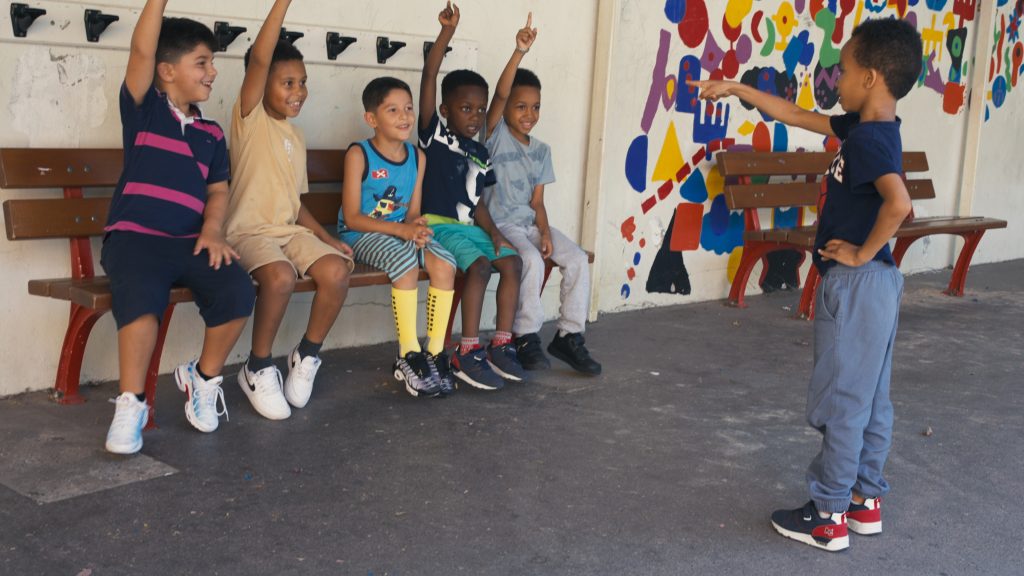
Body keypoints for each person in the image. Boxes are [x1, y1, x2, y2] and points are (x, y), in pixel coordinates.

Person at [690, 17, 922, 552]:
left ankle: (827, 515)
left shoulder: (868, 141)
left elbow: (899, 204)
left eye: (844, 69)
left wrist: (861, 251)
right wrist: (738, 88)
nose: (835, 78)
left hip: (857, 284)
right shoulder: (870, 128)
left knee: (842, 402)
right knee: (870, 399)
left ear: (870, 78)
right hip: (880, 285)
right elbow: (795, 114)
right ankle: (863, 501)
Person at [103, 0, 255, 454]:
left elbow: (218, 191)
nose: (212, 72)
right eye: (202, 63)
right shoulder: (145, 110)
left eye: (213, 63)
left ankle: (203, 377)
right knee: (141, 298)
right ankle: (131, 404)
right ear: (167, 71)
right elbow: (141, 51)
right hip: (135, 239)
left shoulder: (212, 134)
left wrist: (213, 230)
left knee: (237, 290)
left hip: (190, 242)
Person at [225, 0, 353, 420]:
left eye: (303, 82)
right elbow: (260, 59)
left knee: (337, 270)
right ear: (260, 84)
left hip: (287, 231)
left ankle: (307, 354)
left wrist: (327, 239)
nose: (298, 91)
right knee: (279, 277)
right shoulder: (249, 119)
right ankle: (257, 366)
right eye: (287, 83)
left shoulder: (295, 136)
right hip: (249, 233)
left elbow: (295, 204)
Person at [419, 2, 526, 391]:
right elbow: (430, 75)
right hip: (439, 228)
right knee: (480, 268)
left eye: (480, 110)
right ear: (445, 110)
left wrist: (494, 232)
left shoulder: (479, 151)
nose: (476, 116)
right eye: (466, 109)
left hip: (470, 228)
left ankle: (501, 344)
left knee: (512, 262)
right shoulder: (434, 136)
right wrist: (447, 33)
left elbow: (476, 201)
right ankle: (465, 351)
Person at [339, 76, 459, 397]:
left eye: (408, 108)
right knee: (405, 262)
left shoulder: (418, 157)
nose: (404, 116)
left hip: (399, 232)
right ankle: (408, 352)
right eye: (392, 110)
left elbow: (412, 212)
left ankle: (435, 352)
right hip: (360, 234)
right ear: (371, 119)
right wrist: (402, 231)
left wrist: (416, 229)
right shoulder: (359, 154)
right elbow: (352, 217)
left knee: (445, 262)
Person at [483, 63, 602, 375]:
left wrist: (546, 232)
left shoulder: (541, 151)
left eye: (535, 107)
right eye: (521, 106)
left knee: (577, 258)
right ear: (506, 107)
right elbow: (499, 94)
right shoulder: (495, 136)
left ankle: (569, 335)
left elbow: (537, 202)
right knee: (532, 260)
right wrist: (519, 52)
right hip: (501, 225)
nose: (529, 114)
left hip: (531, 225)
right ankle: (524, 337)